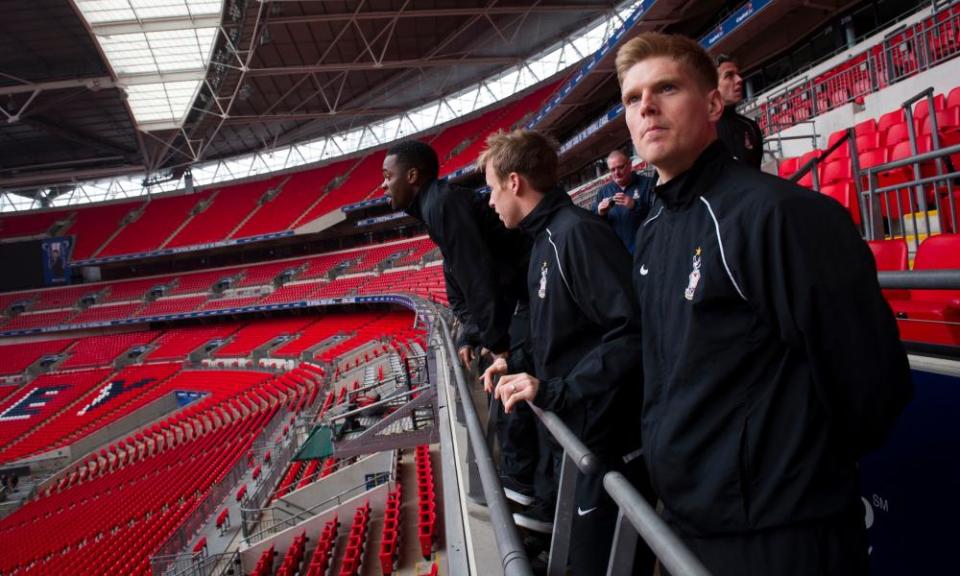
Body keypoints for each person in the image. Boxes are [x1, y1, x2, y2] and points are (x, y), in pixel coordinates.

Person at [616, 32, 913, 576]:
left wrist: (783, 482)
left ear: (712, 104)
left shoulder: (782, 217)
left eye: (665, 88)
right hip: (688, 523)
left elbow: (871, 385)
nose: (646, 107)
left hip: (782, 535)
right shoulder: (653, 229)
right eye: (632, 99)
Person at [478, 129, 654, 575]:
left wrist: (560, 389)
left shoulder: (576, 235)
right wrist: (513, 362)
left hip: (609, 445)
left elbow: (631, 332)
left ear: (515, 182)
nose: (491, 202)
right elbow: (558, 334)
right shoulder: (545, 240)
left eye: (493, 189)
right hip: (579, 437)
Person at [381, 142, 543, 512]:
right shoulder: (435, 206)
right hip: (518, 302)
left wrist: (498, 344)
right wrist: (472, 332)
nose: (383, 186)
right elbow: (458, 276)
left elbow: (477, 275)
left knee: (511, 391)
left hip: (529, 301)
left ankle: (527, 496)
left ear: (412, 176)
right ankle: (524, 489)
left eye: (388, 177)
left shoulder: (442, 204)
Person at [592, 149, 656, 253]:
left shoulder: (648, 184)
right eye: (612, 170)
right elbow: (595, 226)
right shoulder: (603, 192)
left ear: (630, 165)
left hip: (648, 249)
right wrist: (600, 213)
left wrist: (635, 205)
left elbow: (659, 215)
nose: (617, 173)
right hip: (620, 255)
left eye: (620, 167)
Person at [714, 54, 764, 168]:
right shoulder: (703, 132)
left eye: (737, 74)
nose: (739, 79)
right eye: (729, 75)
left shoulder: (751, 126)